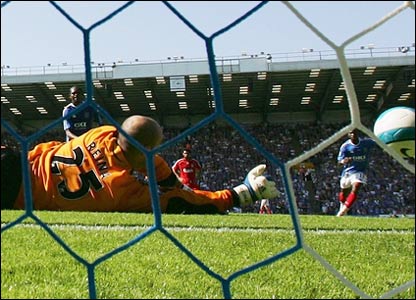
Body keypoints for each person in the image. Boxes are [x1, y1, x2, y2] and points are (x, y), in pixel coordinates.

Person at [1, 115, 279, 214]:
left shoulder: (103, 133)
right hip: (14, 194)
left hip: (15, 160)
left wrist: (174, 183)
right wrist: (240, 193)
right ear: (149, 150)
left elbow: (141, 149)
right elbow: (179, 204)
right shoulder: (122, 190)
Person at [336, 129, 377, 217]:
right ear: (348, 135)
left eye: (355, 132)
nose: (353, 134)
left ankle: (342, 212)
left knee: (357, 186)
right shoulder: (345, 146)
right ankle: (342, 207)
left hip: (359, 171)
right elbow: (339, 162)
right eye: (351, 133)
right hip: (347, 172)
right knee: (344, 192)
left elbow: (379, 142)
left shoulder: (366, 142)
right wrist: (344, 161)